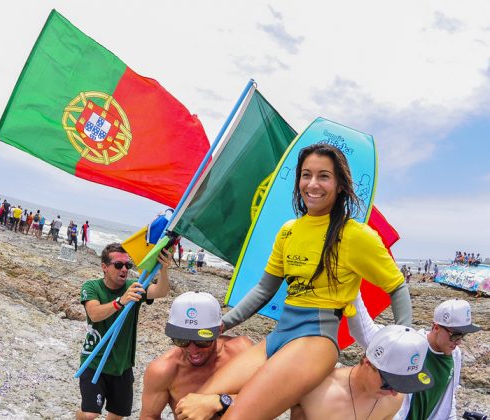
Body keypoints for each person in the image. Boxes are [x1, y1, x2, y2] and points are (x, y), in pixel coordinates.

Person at [176, 143, 412, 419]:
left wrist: (401, 348)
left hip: (316, 340)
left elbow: (396, 287)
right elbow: (265, 289)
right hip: (280, 334)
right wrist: (224, 323)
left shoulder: (356, 236)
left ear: (339, 185)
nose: (312, 184)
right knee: (195, 405)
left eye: (324, 176)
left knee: (232, 415)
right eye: (306, 174)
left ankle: (225, 402)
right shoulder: (288, 232)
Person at [77, 243, 173, 419]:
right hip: (94, 361)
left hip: (122, 366)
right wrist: (120, 301)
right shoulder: (92, 287)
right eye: (118, 265)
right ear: (104, 267)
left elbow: (160, 291)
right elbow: (94, 313)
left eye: (128, 265)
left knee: (116, 415)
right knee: (90, 414)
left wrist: (164, 269)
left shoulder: (134, 286)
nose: (124, 269)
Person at [349, 295, 481, 419]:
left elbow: (449, 397)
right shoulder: (409, 345)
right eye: (456, 335)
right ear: (436, 327)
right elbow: (364, 330)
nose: (459, 342)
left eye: (463, 335)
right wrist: (353, 290)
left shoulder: (455, 355)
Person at [140, 292, 253, 419]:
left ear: (220, 329)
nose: (193, 350)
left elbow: (266, 396)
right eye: (182, 341)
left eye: (202, 341)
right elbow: (149, 416)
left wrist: (220, 401)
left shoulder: (241, 352)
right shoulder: (163, 371)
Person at [290, 325, 434, 420]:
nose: (394, 392)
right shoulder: (315, 388)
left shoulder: (394, 399)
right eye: (389, 384)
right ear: (367, 363)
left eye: (402, 385)